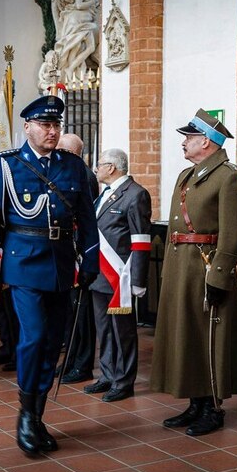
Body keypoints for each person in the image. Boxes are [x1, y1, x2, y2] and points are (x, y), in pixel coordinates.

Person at [0, 95, 99, 455]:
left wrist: (89, 261)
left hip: (61, 265)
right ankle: (26, 417)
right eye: (45, 125)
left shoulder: (72, 167)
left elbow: (87, 220)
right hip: (23, 263)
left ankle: (37, 413)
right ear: (27, 127)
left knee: (51, 342)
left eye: (56, 125)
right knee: (33, 337)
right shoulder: (5, 166)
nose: (52, 130)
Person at [151, 109, 237, 435]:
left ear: (205, 141)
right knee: (187, 336)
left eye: (189, 137)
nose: (184, 143)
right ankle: (195, 402)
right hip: (182, 268)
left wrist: (220, 275)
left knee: (210, 338)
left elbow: (234, 231)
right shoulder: (187, 175)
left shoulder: (228, 176)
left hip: (205, 269)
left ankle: (213, 407)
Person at [85, 148, 151, 402]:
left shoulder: (136, 194)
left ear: (111, 167)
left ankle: (123, 381)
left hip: (120, 278)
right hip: (100, 275)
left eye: (99, 165)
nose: (97, 169)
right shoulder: (104, 194)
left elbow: (141, 240)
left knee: (122, 331)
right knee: (104, 329)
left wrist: (137, 280)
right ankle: (107, 375)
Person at [56, 132, 99, 385]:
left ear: (72, 152)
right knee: (71, 315)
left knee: (82, 314)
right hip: (68, 255)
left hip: (79, 254)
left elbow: (85, 219)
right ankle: (70, 361)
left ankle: (82, 364)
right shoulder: (67, 172)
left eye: (62, 149)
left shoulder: (83, 175)